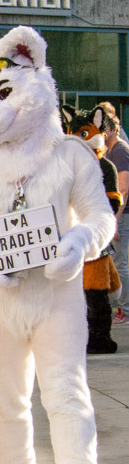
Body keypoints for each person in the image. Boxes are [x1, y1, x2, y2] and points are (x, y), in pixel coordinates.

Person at [105, 114, 129, 325]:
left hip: (121, 214)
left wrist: (115, 220)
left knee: (120, 263)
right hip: (117, 215)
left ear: (114, 129)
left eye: (105, 129)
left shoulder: (120, 151)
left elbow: (123, 188)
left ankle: (126, 310)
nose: (102, 133)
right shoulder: (112, 150)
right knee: (116, 261)